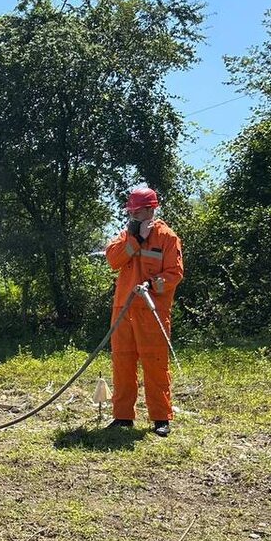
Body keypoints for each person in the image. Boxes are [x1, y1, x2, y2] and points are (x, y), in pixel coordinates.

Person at [104, 185, 184, 437]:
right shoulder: (126, 235)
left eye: (138, 212)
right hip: (123, 311)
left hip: (152, 311)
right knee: (122, 363)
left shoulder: (168, 238)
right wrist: (135, 239)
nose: (134, 217)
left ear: (151, 210)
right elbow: (113, 260)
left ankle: (161, 417)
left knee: (155, 364)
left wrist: (152, 284)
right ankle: (123, 416)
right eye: (132, 212)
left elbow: (175, 273)